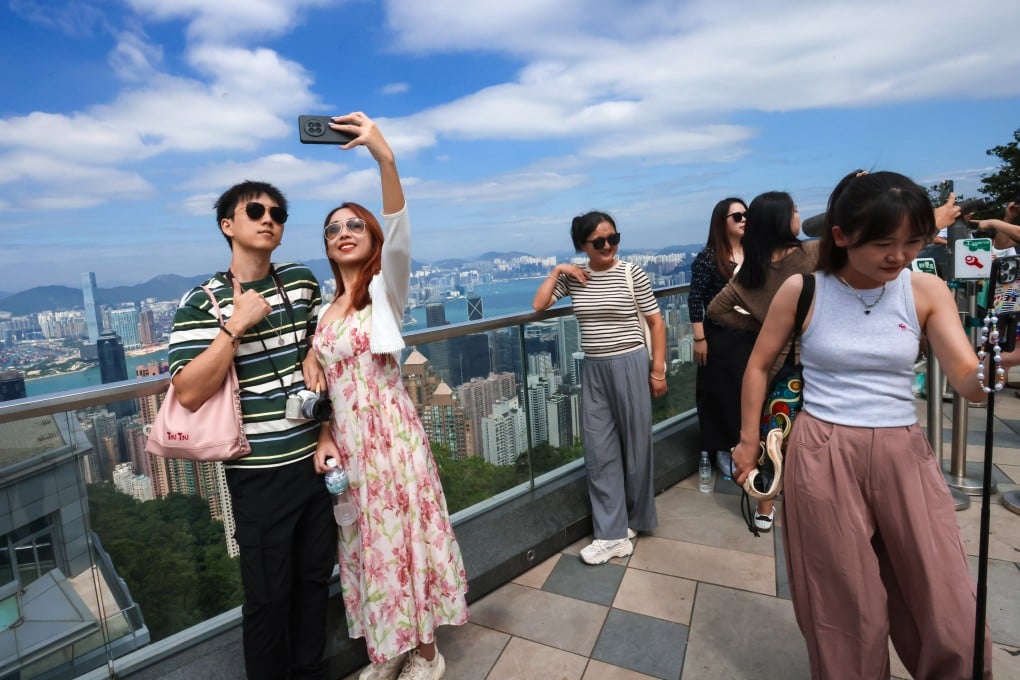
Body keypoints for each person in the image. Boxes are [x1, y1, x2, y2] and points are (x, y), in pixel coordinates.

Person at [731, 170, 1014, 679]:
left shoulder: (925, 290)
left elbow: (969, 380)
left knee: (946, 601)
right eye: (884, 243)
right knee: (842, 605)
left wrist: (1001, 366)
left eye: (912, 241)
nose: (899, 256)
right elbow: (758, 365)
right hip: (822, 450)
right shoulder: (804, 289)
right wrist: (749, 444)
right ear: (841, 235)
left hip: (902, 451)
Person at [310, 113, 469, 680]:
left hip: (392, 442)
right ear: (326, 247)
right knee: (370, 552)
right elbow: (325, 385)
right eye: (332, 228)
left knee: (406, 544)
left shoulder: (383, 293)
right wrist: (325, 434)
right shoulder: (323, 312)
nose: (344, 231)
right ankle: (390, 646)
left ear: (372, 237)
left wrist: (385, 158)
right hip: (350, 450)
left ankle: (427, 653)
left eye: (356, 224)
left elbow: (401, 233)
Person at [168, 182, 335, 678]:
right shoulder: (204, 301)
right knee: (267, 598)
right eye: (256, 210)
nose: (269, 220)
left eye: (278, 213)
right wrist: (235, 325)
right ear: (228, 226)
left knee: (313, 584)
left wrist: (312, 350)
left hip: (314, 463)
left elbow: (322, 336)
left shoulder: (302, 281)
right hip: (257, 473)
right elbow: (189, 391)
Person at [532, 211, 666, 565]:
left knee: (637, 446)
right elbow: (538, 304)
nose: (608, 246)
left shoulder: (630, 272)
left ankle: (635, 520)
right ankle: (612, 533)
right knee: (598, 448)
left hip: (630, 363)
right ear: (582, 245)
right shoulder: (576, 278)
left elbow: (655, 322)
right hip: (593, 368)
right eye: (598, 242)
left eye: (613, 238)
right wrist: (558, 270)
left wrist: (658, 370)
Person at [707, 191, 818, 532]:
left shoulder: (749, 273)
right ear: (783, 220)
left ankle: (766, 506)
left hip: (775, 366)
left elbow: (715, 310)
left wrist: (764, 325)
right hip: (818, 359)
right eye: (795, 210)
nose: (799, 215)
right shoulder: (812, 253)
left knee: (774, 435)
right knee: (814, 436)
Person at [689, 198, 753, 479]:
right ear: (721, 222)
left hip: (751, 334)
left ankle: (749, 448)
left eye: (746, 214)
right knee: (723, 394)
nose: (743, 220)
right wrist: (700, 339)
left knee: (748, 394)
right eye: (736, 216)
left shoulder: (755, 254)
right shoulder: (708, 257)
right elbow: (695, 299)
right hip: (720, 336)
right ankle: (725, 451)